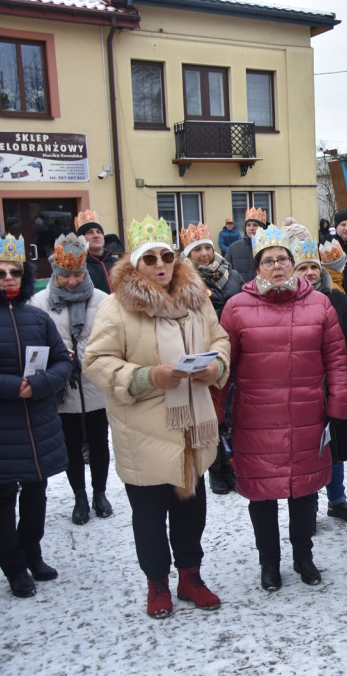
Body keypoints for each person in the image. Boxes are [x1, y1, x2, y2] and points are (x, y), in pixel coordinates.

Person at [83, 216, 229, 618]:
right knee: (149, 518)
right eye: (151, 259)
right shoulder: (117, 307)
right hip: (144, 431)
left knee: (190, 512)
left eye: (167, 256)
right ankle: (157, 585)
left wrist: (216, 367)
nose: (161, 265)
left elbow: (220, 340)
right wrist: (148, 377)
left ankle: (190, 578)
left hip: (191, 430)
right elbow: (96, 361)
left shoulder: (196, 300)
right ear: (136, 265)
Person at [219, 224, 347, 591]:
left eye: (282, 259)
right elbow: (223, 367)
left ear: (293, 264)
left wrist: (339, 405)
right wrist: (216, 414)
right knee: (262, 495)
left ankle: (303, 556)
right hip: (256, 419)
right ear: (257, 267)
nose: (276, 266)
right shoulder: (236, 307)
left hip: (308, 417)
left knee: (304, 492)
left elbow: (337, 360)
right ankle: (269, 562)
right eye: (268, 261)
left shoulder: (319, 304)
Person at [0, 233, 72, 598]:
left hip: (37, 422)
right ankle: (13, 565)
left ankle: (33, 552)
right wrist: (13, 387)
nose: (9, 278)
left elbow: (62, 361)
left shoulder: (37, 317)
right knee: (1, 499)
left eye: (15, 273)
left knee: (37, 491)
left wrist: (40, 385)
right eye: (0, 273)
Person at [284, 224, 347, 524]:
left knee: (334, 445)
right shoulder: (286, 304)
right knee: (308, 449)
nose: (309, 273)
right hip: (303, 391)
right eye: (302, 267)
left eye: (312, 267)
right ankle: (311, 507)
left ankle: (337, 499)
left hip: (335, 386)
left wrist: (345, 366)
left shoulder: (337, 298)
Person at [29, 233, 111, 525]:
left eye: (77, 274)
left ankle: (100, 492)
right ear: (55, 273)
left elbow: (113, 337)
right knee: (71, 444)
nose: (72, 281)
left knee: (100, 442)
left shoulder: (102, 301)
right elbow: (34, 343)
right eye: (65, 276)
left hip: (95, 382)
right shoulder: (39, 303)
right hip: (63, 385)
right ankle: (80, 496)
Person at [178, 222, 243, 495]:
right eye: (197, 250)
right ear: (187, 255)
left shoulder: (232, 274)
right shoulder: (182, 281)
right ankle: (218, 470)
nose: (204, 254)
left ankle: (235, 463)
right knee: (214, 413)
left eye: (207, 248)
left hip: (237, 347)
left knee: (234, 410)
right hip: (207, 351)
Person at [75, 209, 118, 293]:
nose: (96, 235)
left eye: (99, 232)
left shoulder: (118, 264)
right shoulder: (78, 267)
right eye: (90, 232)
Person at [224, 207, 268, 283]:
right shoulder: (233, 248)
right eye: (248, 225)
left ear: (262, 227)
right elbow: (226, 272)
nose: (251, 228)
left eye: (255, 225)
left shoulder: (269, 248)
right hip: (241, 291)